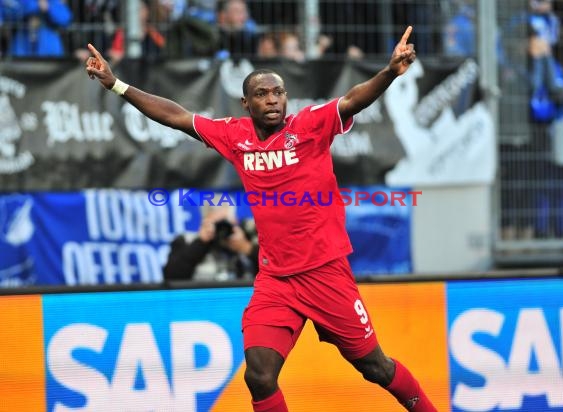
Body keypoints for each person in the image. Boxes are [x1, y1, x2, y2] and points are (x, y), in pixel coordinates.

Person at [84, 25, 437, 411]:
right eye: (262, 94)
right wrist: (116, 84)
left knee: (375, 368)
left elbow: (352, 100)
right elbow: (177, 116)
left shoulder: (310, 126)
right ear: (246, 104)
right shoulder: (236, 137)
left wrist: (388, 72)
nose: (272, 100)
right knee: (259, 373)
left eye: (278, 92)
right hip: (277, 280)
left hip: (325, 273)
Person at [163, 199, 259, 282]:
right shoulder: (187, 241)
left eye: (226, 222)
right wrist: (201, 242)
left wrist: (247, 248)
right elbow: (171, 277)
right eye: (218, 224)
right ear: (205, 222)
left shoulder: (247, 238)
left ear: (235, 220)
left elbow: (271, 269)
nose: (222, 229)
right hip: (204, 299)